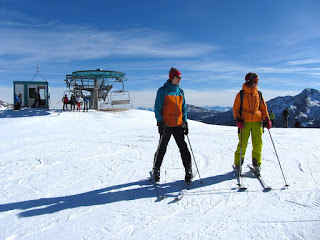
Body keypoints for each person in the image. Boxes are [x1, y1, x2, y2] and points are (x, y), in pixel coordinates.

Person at [153, 67, 192, 183]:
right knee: (162, 148)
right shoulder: (163, 91)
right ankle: (156, 169)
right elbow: (157, 108)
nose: (180, 79)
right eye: (178, 77)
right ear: (172, 78)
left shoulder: (180, 92)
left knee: (184, 149)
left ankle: (188, 170)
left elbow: (183, 108)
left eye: (180, 77)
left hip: (178, 125)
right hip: (166, 125)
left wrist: (185, 122)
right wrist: (160, 122)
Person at [233, 73, 272, 175]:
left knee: (258, 144)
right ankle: (238, 165)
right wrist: (238, 120)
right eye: (254, 81)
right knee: (242, 144)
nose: (256, 83)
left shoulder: (258, 94)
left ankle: (256, 164)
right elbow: (236, 108)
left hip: (257, 122)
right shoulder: (241, 94)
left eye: (257, 81)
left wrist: (267, 118)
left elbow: (263, 108)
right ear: (248, 81)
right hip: (244, 122)